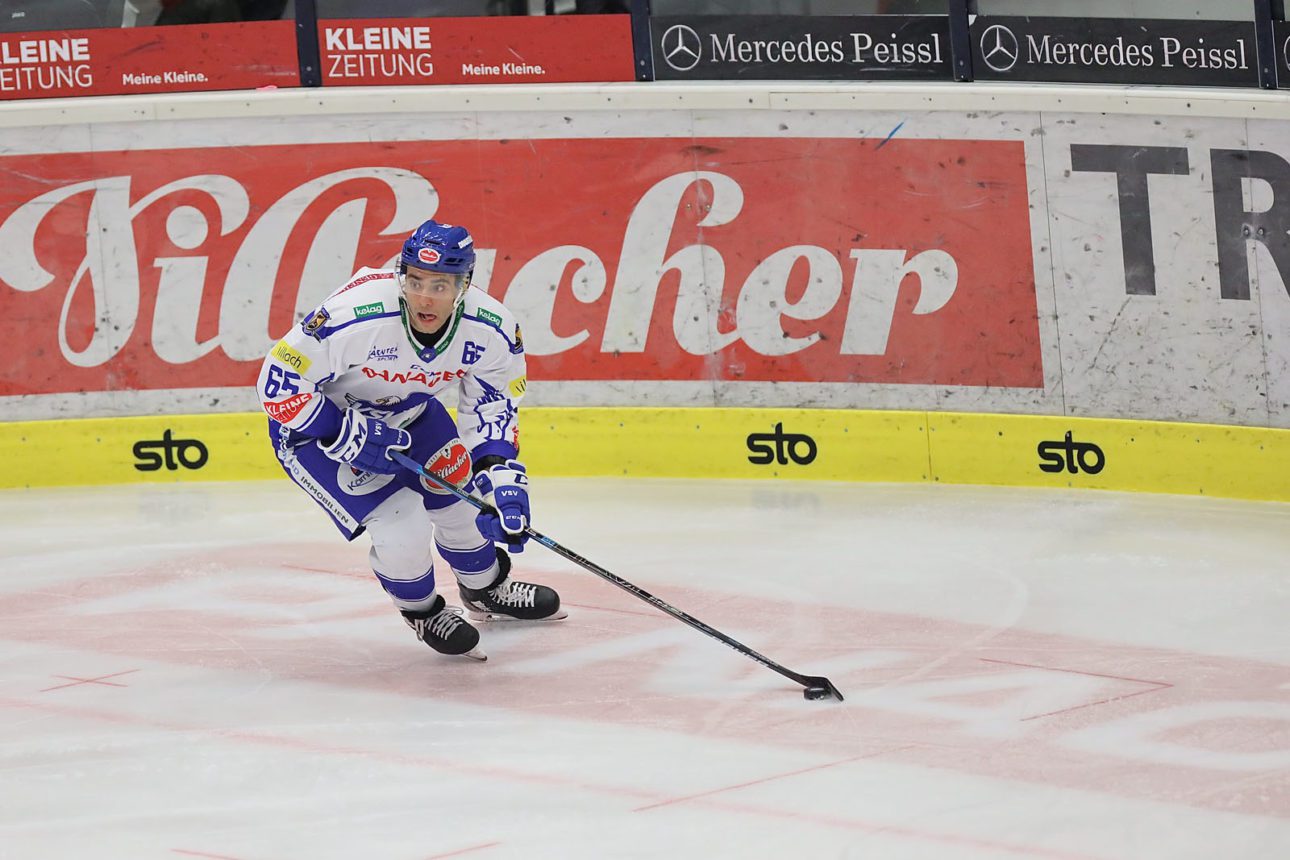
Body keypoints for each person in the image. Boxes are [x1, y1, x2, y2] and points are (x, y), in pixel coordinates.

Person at [256, 219, 564, 661]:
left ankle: (485, 590)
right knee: (402, 525)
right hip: (313, 431)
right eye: (415, 281)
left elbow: (492, 404)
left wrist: (497, 469)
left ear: (463, 284)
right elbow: (278, 382)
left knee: (463, 502)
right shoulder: (354, 314)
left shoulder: (491, 328)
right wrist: (340, 431)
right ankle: (422, 611)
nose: (424, 296)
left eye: (440, 285)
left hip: (411, 417)